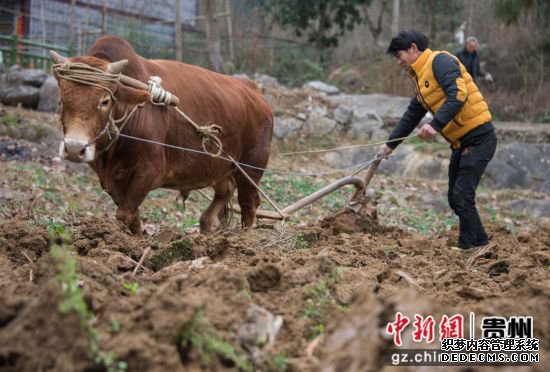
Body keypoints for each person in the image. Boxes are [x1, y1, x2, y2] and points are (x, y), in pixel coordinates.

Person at [379, 30, 497, 250]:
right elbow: (412, 115)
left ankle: (468, 247)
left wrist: (435, 125)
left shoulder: (440, 61)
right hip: (460, 143)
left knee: (462, 196)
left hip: (479, 137)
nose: (398, 62)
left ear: (413, 49)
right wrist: (390, 144)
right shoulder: (420, 79)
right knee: (455, 199)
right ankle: (481, 243)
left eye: (399, 55)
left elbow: (459, 94)